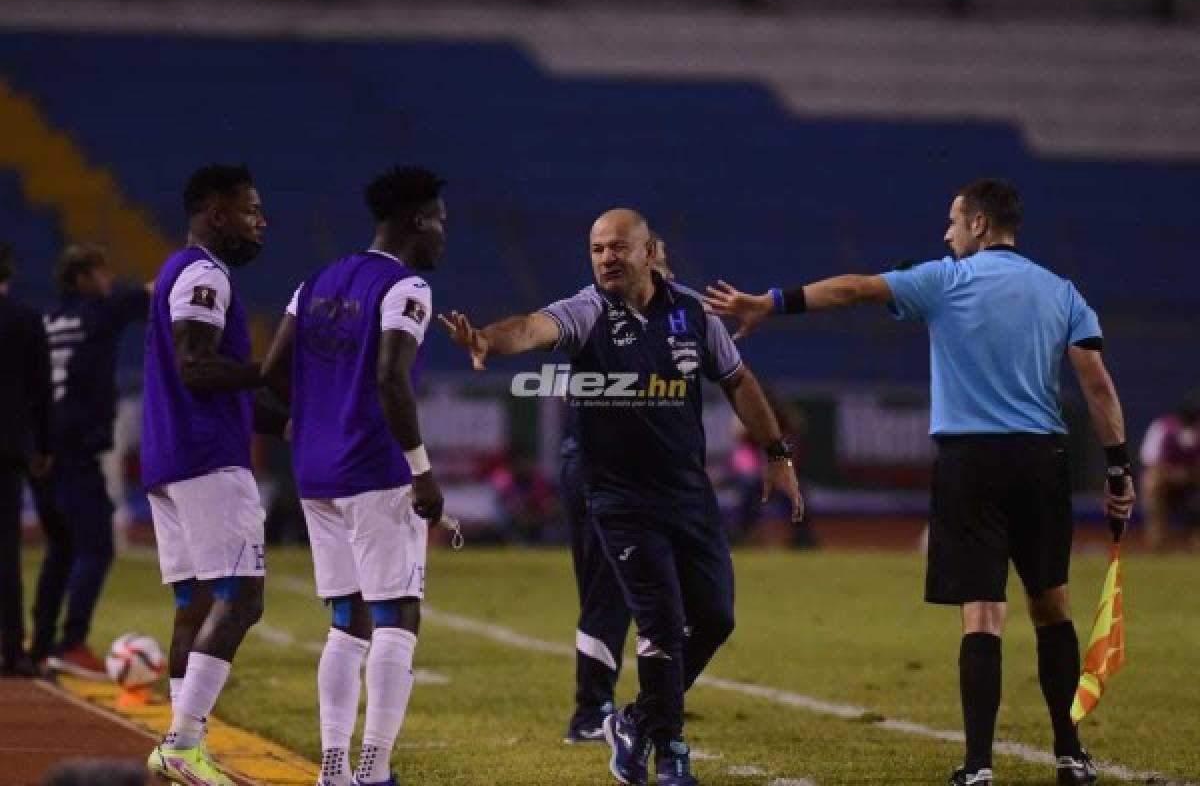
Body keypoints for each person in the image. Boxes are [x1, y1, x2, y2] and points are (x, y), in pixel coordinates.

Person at [703, 178, 1135, 786]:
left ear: (980, 224)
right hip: (1041, 461)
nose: (945, 233)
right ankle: (1070, 754)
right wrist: (1118, 468)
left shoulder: (946, 279)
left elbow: (853, 288)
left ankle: (980, 767)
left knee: (983, 615)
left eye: (953, 222)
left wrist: (766, 302)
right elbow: (1098, 387)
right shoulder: (1061, 291)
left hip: (970, 462)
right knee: (1051, 606)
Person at [442, 208, 802, 786]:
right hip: (619, 500)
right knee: (660, 624)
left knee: (714, 618)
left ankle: (634, 718)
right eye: (596, 248)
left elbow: (738, 380)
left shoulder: (692, 312)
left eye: (617, 247)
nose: (606, 258)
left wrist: (777, 455)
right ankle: (671, 751)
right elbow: (535, 327)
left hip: (688, 494)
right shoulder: (586, 310)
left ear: (649, 251)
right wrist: (488, 338)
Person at [260, 165, 448, 786]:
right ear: (418, 222)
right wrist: (421, 471)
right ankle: (375, 768)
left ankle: (334, 766)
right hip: (374, 469)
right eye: (440, 221)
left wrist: (301, 425)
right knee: (397, 616)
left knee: (347, 620)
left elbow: (272, 373)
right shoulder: (406, 288)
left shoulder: (314, 281)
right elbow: (392, 377)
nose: (444, 234)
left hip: (315, 474)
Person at [142, 164, 269, 786]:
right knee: (241, 597)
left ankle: (180, 743)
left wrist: (285, 413)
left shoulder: (175, 269)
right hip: (205, 456)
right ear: (216, 214)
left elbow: (207, 375)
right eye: (250, 210)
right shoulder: (203, 274)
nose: (260, 222)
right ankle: (183, 742)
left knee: (193, 602)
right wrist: (271, 369)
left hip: (170, 456)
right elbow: (198, 367)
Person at [560, 233, 669, 744]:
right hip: (597, 471)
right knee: (608, 592)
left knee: (642, 590)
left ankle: (628, 701)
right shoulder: (594, 310)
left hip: (644, 475)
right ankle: (590, 712)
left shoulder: (673, 316)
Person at [28, 243, 151, 677]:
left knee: (60, 548)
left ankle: (40, 643)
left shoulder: (42, 320)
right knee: (95, 544)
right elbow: (152, 294)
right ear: (83, 278)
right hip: (78, 447)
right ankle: (73, 640)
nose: (109, 281)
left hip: (40, 449)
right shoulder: (98, 312)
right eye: (102, 274)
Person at [0, 241, 53, 677]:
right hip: (8, 448)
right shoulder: (25, 318)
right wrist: (44, 446)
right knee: (6, 553)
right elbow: (41, 390)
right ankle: (12, 652)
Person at [1139, 402, 1200, 551]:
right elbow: (1150, 462)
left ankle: (1195, 538)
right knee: (1151, 482)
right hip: (1166, 479)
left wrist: (1189, 475)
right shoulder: (1162, 428)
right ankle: (1157, 539)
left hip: (1194, 481)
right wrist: (1173, 474)